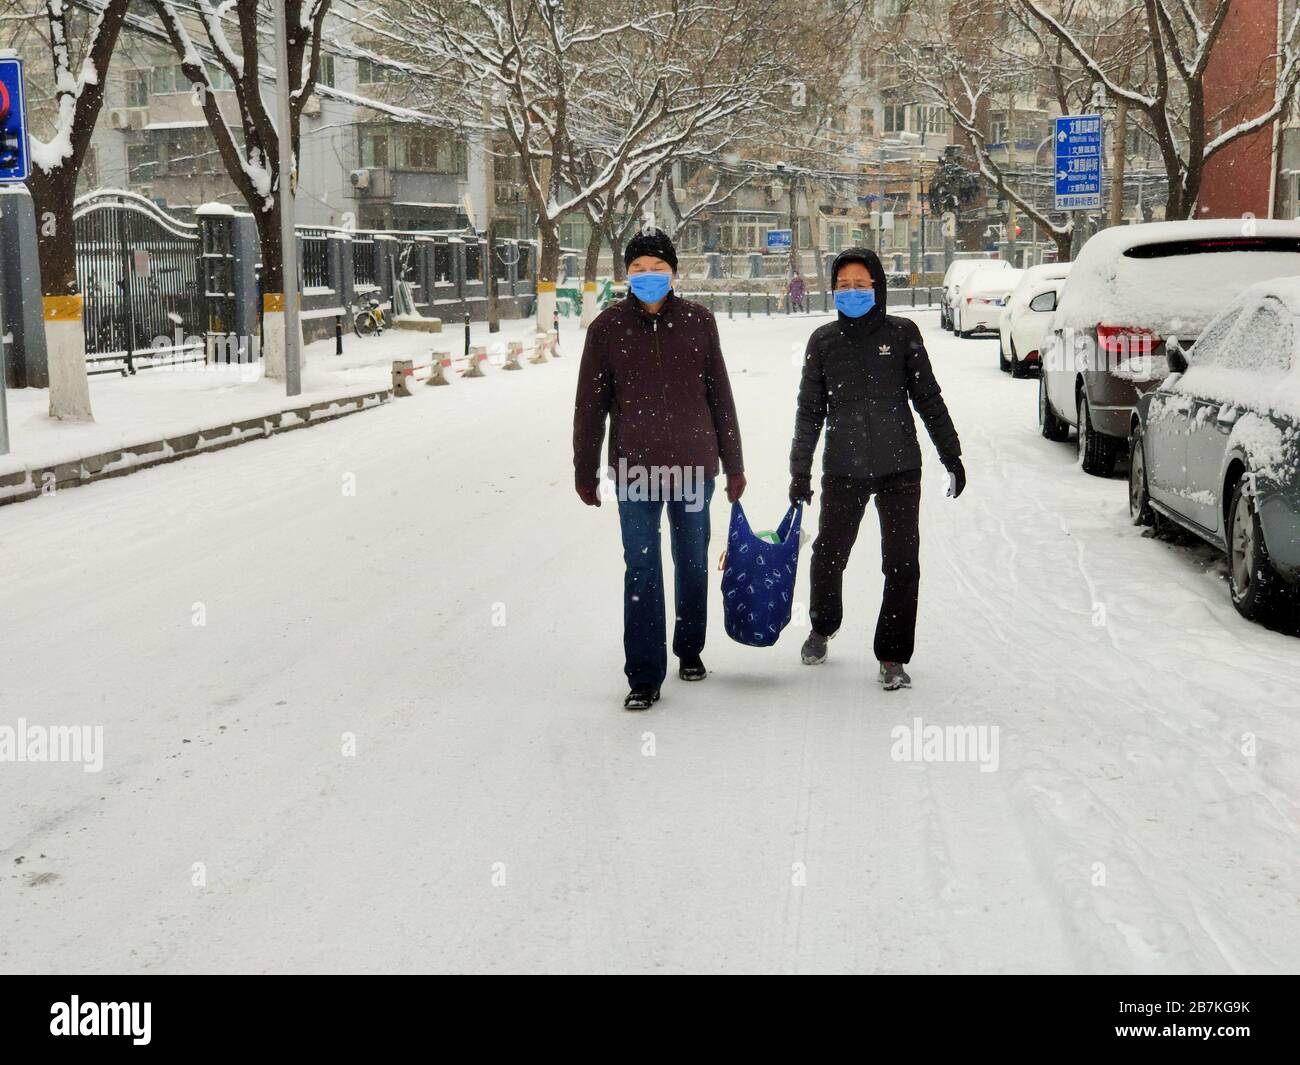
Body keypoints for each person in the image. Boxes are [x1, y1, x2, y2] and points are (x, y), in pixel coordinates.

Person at [573, 229, 746, 711]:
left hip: (694, 466)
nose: (648, 277)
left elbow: (720, 397)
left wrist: (734, 464)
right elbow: (590, 406)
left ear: (674, 272)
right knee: (642, 567)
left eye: (657, 269)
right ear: (626, 275)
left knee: (692, 562)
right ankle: (645, 675)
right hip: (635, 471)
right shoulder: (606, 329)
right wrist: (584, 469)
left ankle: (689, 649)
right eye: (638, 270)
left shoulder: (698, 322)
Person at [788, 247, 964, 691]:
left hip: (900, 467)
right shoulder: (823, 342)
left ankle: (892, 655)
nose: (851, 292)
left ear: (877, 288)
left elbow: (929, 398)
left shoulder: (903, 334)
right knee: (829, 553)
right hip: (844, 467)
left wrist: (951, 454)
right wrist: (799, 472)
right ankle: (822, 625)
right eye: (843, 286)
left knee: (902, 563)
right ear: (833, 291)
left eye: (860, 285)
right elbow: (809, 413)